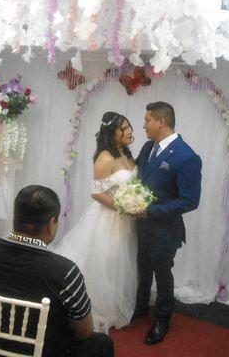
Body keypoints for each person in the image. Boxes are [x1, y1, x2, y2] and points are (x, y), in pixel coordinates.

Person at [0, 185, 114, 357]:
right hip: (41, 351)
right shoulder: (65, 271)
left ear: (16, 216)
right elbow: (84, 331)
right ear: (51, 224)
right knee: (102, 343)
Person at [54, 111, 137, 333]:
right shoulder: (105, 158)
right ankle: (95, 307)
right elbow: (97, 194)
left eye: (130, 127)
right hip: (108, 218)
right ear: (113, 133)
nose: (130, 131)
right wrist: (123, 207)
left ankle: (115, 304)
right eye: (125, 128)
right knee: (105, 261)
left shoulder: (127, 154)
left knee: (120, 261)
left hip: (126, 221)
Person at [133, 101, 202, 345]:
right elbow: (136, 175)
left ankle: (162, 319)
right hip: (140, 227)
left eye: (147, 120)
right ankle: (140, 308)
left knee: (162, 275)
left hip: (164, 231)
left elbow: (190, 201)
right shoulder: (148, 146)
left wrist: (150, 212)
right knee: (142, 270)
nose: (144, 125)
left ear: (160, 122)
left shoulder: (187, 156)